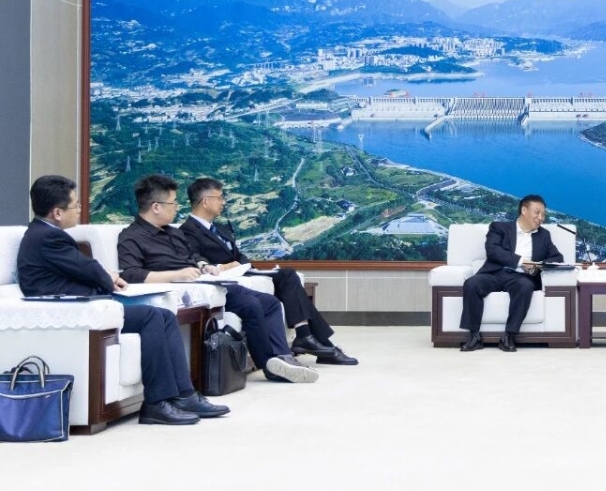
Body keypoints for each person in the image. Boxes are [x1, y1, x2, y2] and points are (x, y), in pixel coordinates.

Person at [17, 174, 229, 426]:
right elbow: (87, 268)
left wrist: (107, 277)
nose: (80, 209)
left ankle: (184, 395)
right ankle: (156, 403)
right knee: (152, 316)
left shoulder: (44, 233)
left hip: (85, 303)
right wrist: (109, 278)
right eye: (76, 205)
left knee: (163, 315)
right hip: (73, 308)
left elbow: (81, 268)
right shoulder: (48, 237)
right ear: (57, 213)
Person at [117, 174, 318, 384]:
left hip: (205, 282)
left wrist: (204, 265)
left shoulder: (173, 233)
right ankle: (269, 365)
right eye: (173, 203)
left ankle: (283, 357)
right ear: (156, 207)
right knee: (250, 304)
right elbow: (131, 274)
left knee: (270, 303)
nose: (177, 207)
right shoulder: (131, 236)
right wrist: (176, 275)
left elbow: (192, 256)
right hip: (182, 287)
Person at [180, 177, 357, 365]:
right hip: (228, 280)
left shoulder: (220, 228)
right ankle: (319, 344)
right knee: (288, 277)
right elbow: (197, 260)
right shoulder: (187, 231)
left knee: (288, 277)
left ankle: (308, 337)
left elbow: (239, 256)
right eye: (220, 198)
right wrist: (227, 267)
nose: (223, 202)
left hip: (244, 272)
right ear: (205, 201)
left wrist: (243, 265)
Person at [459, 194, 564, 353]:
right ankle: (474, 336)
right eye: (537, 212)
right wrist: (521, 261)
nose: (541, 218)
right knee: (471, 283)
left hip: (521, 277)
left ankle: (508, 336)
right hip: (494, 273)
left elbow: (557, 258)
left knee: (526, 286)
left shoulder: (543, 235)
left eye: (543, 214)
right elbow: (493, 251)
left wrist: (536, 266)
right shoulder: (499, 227)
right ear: (524, 210)